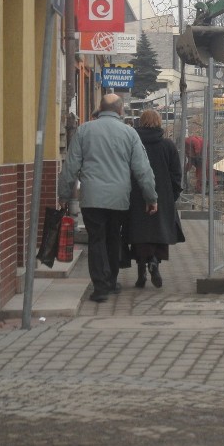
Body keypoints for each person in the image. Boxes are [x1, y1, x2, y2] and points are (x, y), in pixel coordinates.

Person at [58, 94, 158, 303]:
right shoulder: (129, 133)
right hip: (119, 198)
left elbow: (70, 165)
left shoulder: (84, 131)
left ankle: (100, 287)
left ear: (99, 109)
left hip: (92, 197)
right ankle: (111, 281)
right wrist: (151, 197)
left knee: (96, 240)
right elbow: (143, 169)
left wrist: (64, 194)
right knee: (114, 237)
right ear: (120, 111)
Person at [127, 109, 185, 288]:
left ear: (140, 122)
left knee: (139, 232)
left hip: (136, 194)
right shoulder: (167, 146)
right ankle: (154, 262)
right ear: (159, 123)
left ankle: (140, 272)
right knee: (158, 232)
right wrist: (172, 195)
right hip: (162, 195)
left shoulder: (133, 143)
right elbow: (176, 173)